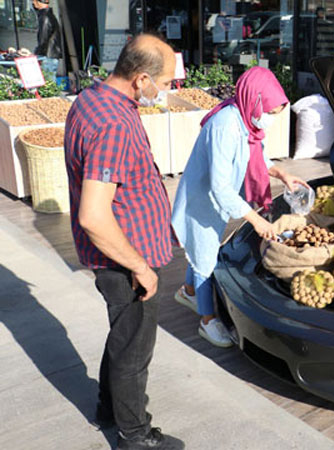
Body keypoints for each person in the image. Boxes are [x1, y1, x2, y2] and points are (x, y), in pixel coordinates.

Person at [64, 33, 184, 450]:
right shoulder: (113, 123)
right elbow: (94, 215)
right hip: (125, 259)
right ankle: (136, 435)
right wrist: (140, 267)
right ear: (140, 78)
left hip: (122, 251)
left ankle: (106, 408)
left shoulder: (92, 99)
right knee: (135, 349)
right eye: (165, 82)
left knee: (123, 334)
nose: (167, 90)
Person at [171, 66, 309, 347]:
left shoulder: (246, 120)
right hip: (204, 199)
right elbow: (219, 187)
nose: (270, 120)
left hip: (219, 199)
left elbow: (254, 156)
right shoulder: (224, 126)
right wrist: (256, 221)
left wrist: (282, 174)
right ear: (254, 99)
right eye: (270, 113)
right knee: (206, 257)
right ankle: (207, 321)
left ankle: (187, 292)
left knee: (201, 249)